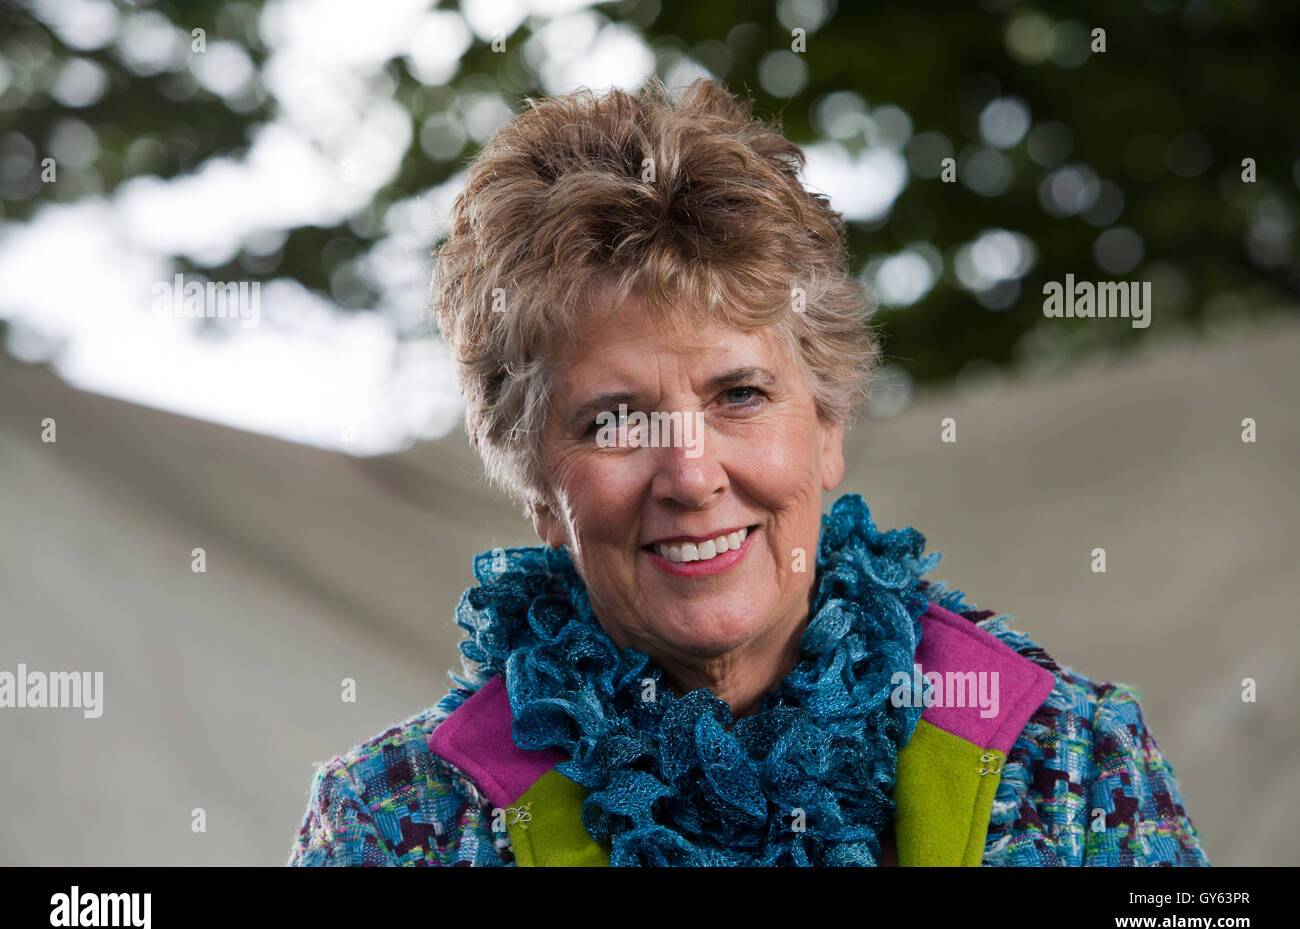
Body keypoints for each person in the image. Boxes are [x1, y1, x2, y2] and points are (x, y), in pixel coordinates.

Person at [287, 77, 1208, 866]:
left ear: (829, 426)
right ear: (536, 485)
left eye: (739, 395)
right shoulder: (396, 828)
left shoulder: (1076, 765)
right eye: (615, 420)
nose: (690, 476)